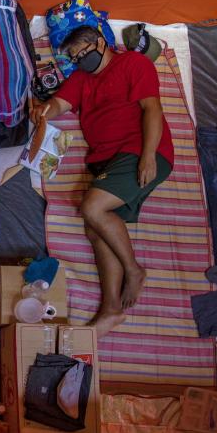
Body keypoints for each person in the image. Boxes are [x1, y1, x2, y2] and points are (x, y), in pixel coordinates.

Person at [31, 25, 174, 337]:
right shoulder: (81, 79)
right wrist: (45, 109)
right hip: (105, 162)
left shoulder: (133, 64)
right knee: (96, 232)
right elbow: (60, 104)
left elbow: (152, 108)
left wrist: (148, 155)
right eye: (74, 57)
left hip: (138, 150)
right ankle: (110, 309)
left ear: (100, 42)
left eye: (82, 53)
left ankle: (134, 271)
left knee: (92, 208)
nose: (79, 60)